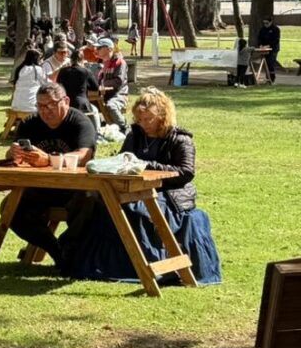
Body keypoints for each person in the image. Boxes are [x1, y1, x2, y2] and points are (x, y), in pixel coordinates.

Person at [60, 89, 222, 285]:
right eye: (140, 119)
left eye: (148, 119)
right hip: (133, 188)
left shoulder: (180, 139)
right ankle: (78, 255)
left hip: (169, 193)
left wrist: (146, 166)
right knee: (96, 200)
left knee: (135, 209)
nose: (144, 124)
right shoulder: (135, 136)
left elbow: (186, 172)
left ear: (162, 116)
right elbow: (123, 159)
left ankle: (145, 264)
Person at [6, 82, 97, 265]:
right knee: (9, 207)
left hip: (73, 188)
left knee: (91, 200)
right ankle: (55, 249)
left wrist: (49, 160)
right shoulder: (30, 123)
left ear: (66, 101)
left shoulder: (80, 122)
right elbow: (12, 156)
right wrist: (13, 153)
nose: (45, 111)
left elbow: (84, 155)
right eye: (40, 106)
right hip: (40, 187)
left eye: (51, 104)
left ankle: (70, 248)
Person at [94, 37, 129, 126]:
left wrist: (102, 84)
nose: (97, 50)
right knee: (87, 105)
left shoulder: (120, 62)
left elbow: (118, 81)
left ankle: (125, 128)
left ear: (109, 49)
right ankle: (99, 127)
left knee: (111, 106)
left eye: (99, 48)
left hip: (119, 95)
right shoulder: (102, 63)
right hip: (104, 94)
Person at [10, 49, 47, 113]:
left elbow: (14, 86)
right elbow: (45, 84)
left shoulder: (20, 69)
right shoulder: (38, 70)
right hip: (32, 107)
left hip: (16, 105)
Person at [256, 15, 281, 82]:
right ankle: (268, 77)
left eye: (267, 23)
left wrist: (269, 45)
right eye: (264, 23)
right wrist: (260, 45)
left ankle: (272, 78)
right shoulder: (262, 29)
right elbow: (259, 38)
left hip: (273, 49)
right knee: (266, 63)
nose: (265, 25)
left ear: (271, 22)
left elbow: (276, 40)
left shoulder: (275, 29)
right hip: (264, 48)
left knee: (271, 62)